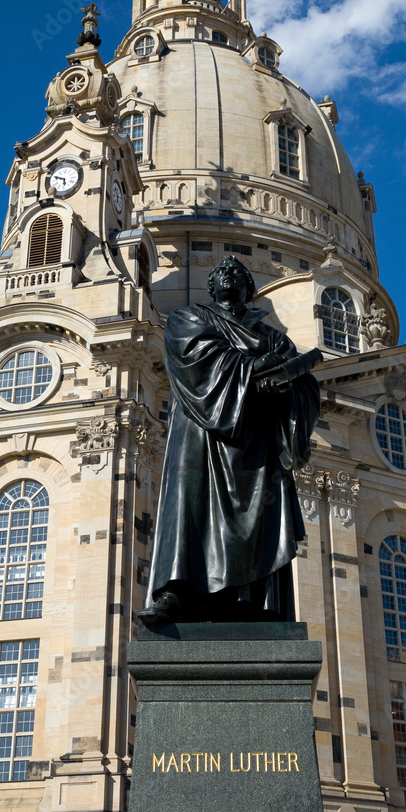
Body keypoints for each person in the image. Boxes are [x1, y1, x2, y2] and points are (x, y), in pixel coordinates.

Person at [137, 256, 321, 625]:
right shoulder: (187, 318)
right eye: (221, 271)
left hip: (256, 440)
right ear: (210, 285)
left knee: (259, 514)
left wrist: (287, 382)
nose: (228, 273)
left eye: (238, 272)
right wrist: (260, 368)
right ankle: (176, 592)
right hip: (199, 434)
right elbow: (199, 361)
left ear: (250, 289)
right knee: (188, 504)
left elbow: (303, 386)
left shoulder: (273, 336)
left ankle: (251, 600)